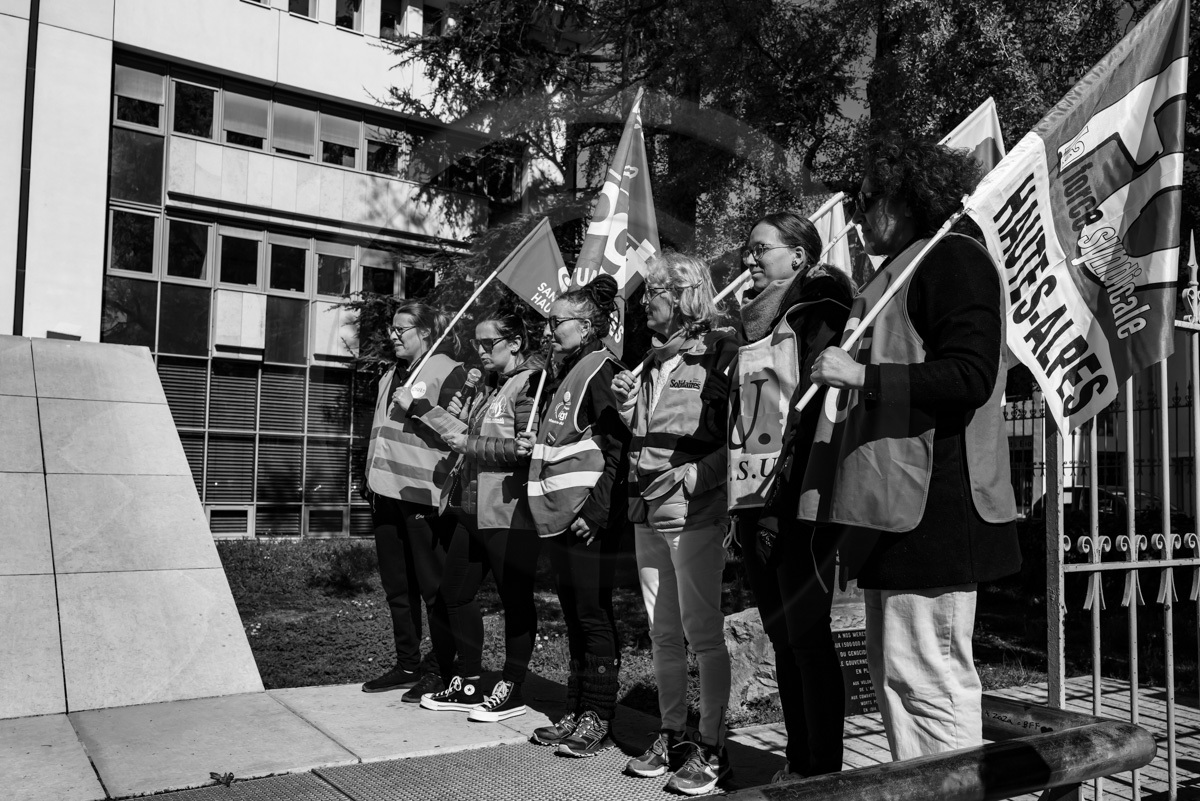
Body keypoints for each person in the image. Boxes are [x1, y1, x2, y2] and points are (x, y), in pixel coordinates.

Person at [803, 138, 1021, 760]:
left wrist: (860, 376)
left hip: (938, 509)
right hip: (891, 508)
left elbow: (970, 377)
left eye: (868, 199)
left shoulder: (952, 259)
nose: (859, 215)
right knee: (900, 679)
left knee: (930, 683)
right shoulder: (896, 270)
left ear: (906, 198)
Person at [729, 211, 854, 781]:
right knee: (781, 637)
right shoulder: (750, 321)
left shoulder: (818, 314)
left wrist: (780, 504)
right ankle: (798, 759)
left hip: (797, 499)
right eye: (748, 249)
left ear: (799, 255)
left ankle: (822, 769)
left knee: (806, 636)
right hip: (752, 497)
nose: (749, 259)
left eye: (761, 249)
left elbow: (807, 417)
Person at [610, 253, 739, 795]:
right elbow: (647, 438)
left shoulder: (721, 353)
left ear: (682, 295)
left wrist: (693, 479)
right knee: (663, 633)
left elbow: (740, 438)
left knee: (703, 634)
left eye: (653, 295)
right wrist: (626, 410)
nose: (644, 306)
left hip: (695, 514)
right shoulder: (650, 360)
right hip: (645, 511)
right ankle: (671, 734)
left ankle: (712, 748)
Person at [418, 306, 546, 722]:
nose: (481, 351)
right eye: (477, 343)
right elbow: (464, 435)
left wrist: (469, 446)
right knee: (454, 593)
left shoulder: (531, 385)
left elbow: (527, 451)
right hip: (470, 507)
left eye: (489, 343)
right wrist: (422, 409)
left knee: (516, 600)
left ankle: (512, 686)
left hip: (509, 513)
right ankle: (469, 680)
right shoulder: (492, 385)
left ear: (516, 343)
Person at [524, 274, 631, 758]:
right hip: (561, 518)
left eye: (556, 322)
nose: (549, 330)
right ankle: (576, 704)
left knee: (593, 614)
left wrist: (597, 510)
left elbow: (617, 446)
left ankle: (599, 716)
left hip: (588, 518)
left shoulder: (601, 369)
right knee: (573, 614)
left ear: (586, 324)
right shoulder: (568, 370)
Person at [362, 299, 467, 702]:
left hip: (423, 495)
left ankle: (443, 669)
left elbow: (460, 432)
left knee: (432, 588)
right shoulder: (389, 375)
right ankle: (407, 664)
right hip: (384, 491)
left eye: (401, 329)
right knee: (397, 587)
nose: (393, 335)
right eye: (391, 328)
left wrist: (420, 407)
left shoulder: (449, 371)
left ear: (425, 332)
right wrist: (367, 477)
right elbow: (380, 431)